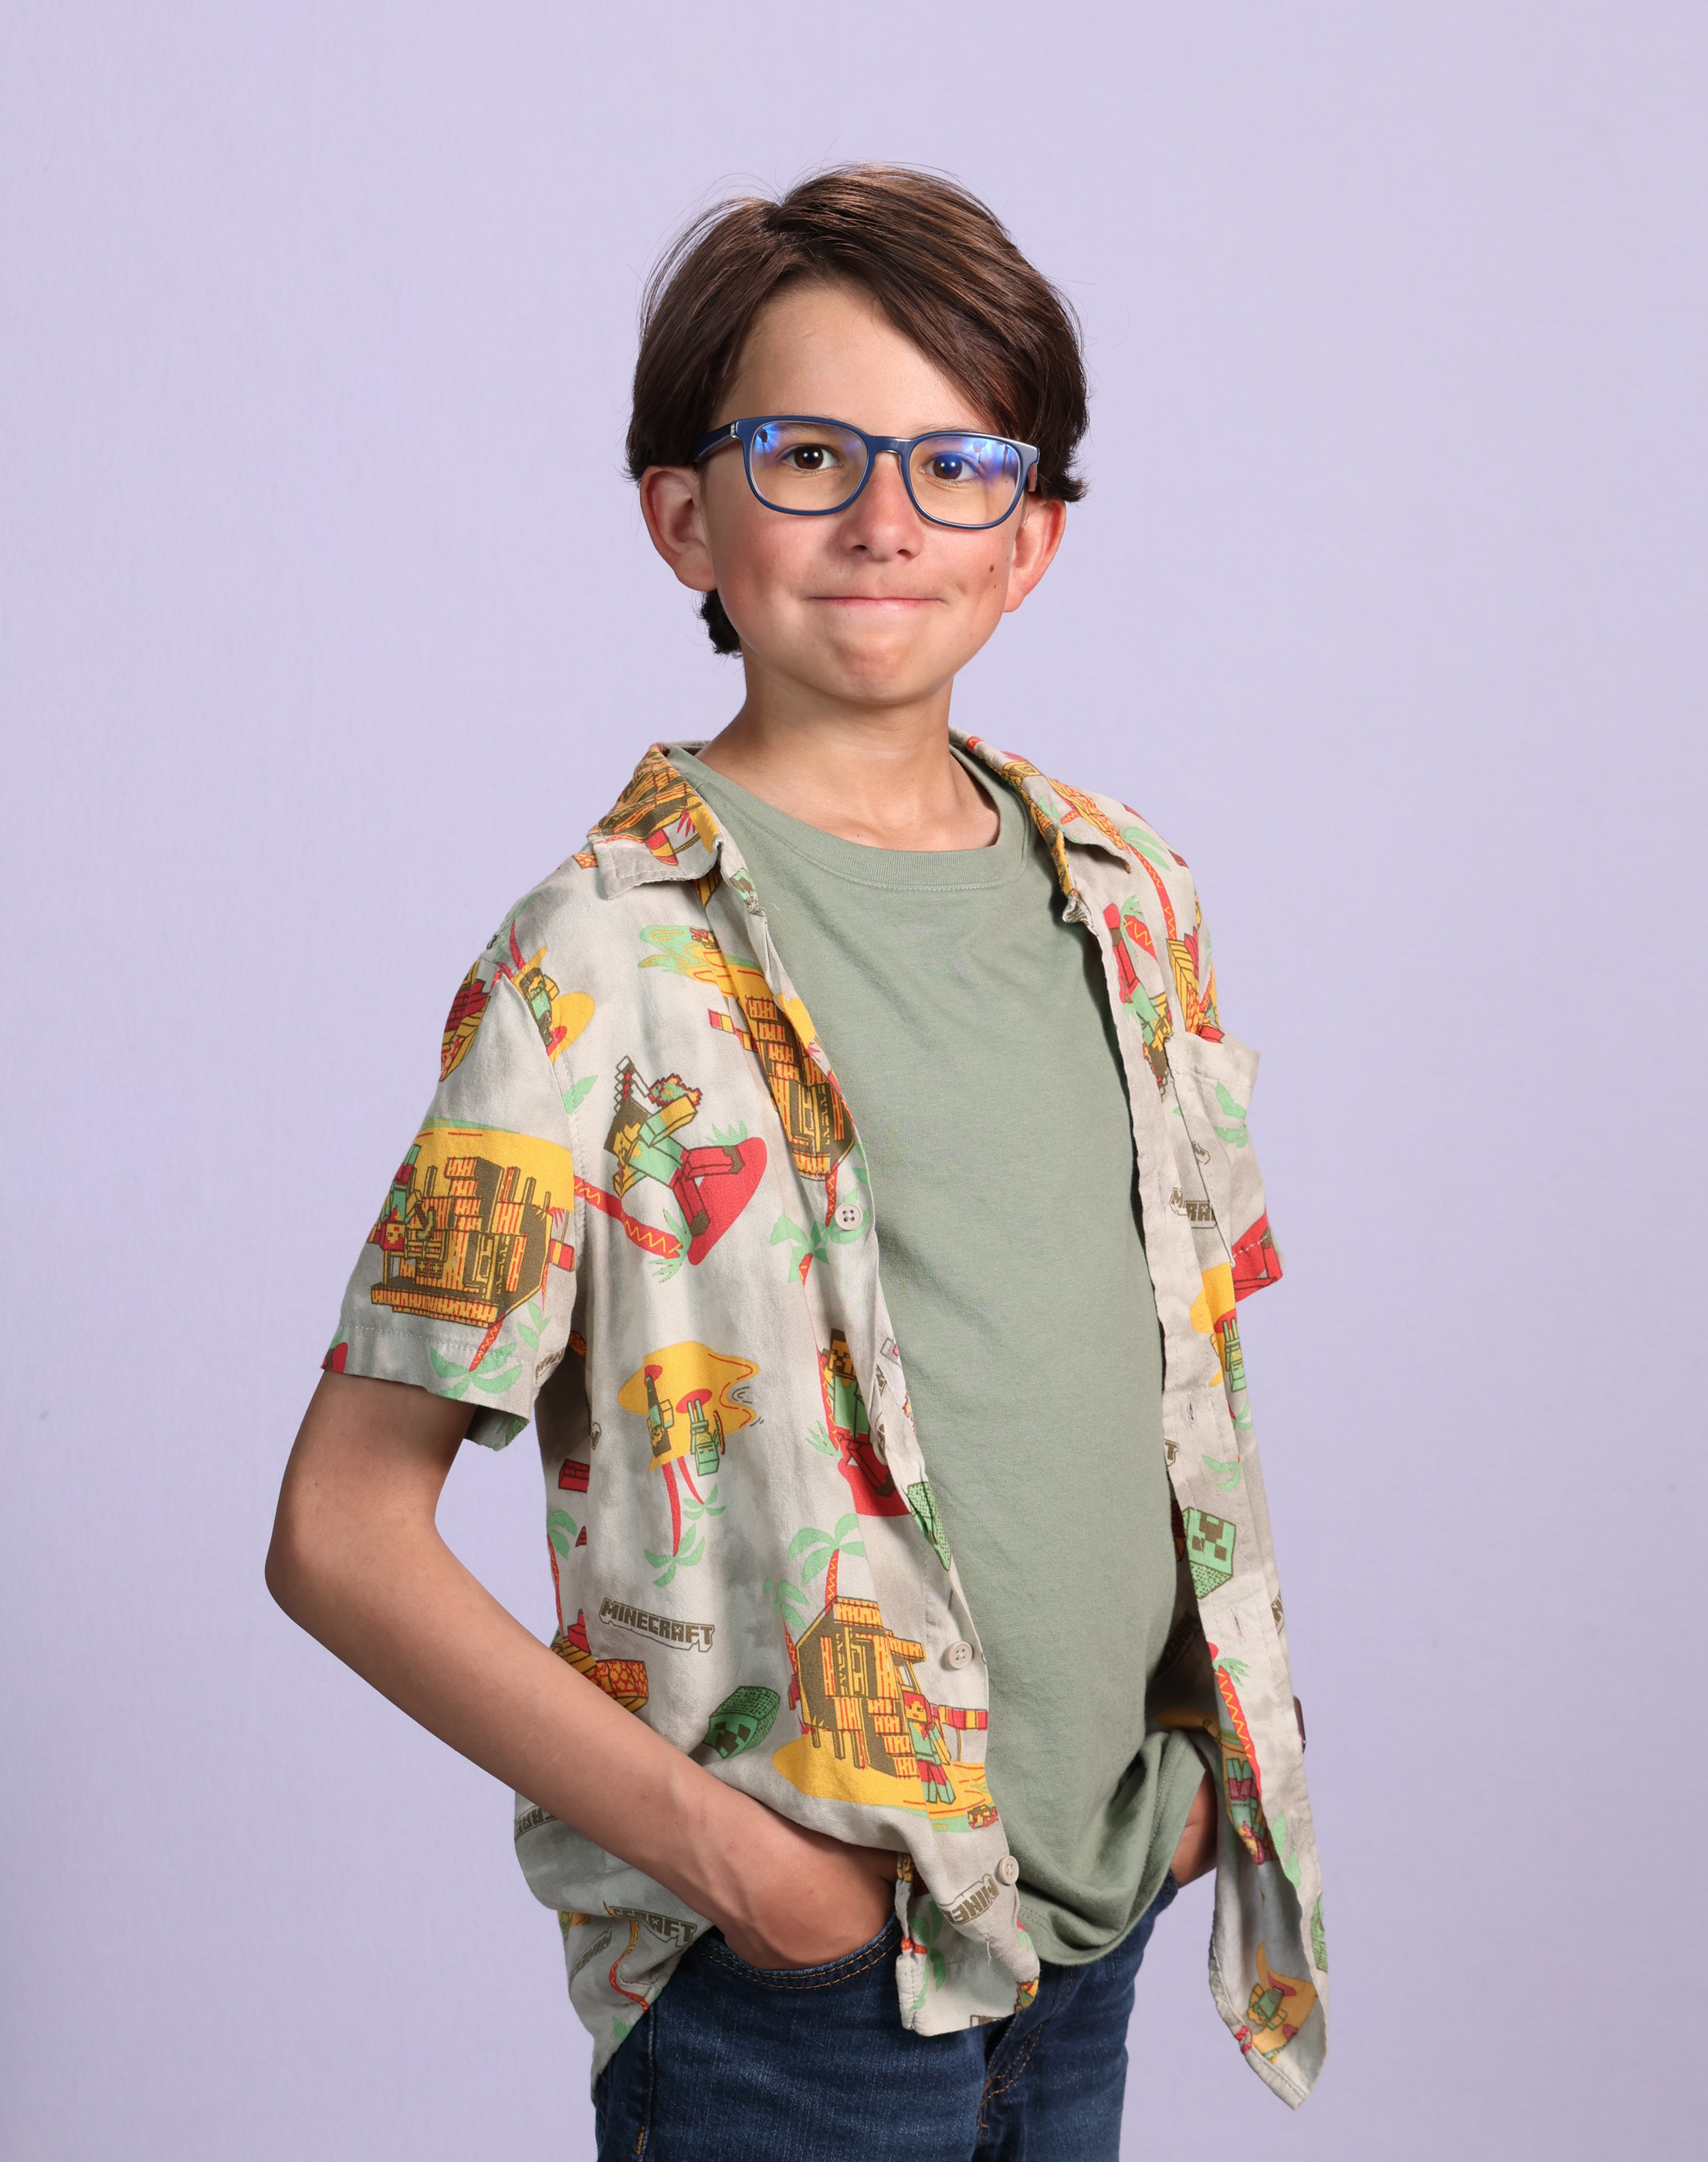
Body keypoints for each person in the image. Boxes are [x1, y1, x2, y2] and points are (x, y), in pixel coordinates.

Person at [266, 165, 1327, 2159]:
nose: (886, 523)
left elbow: (1169, 1378)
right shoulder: (600, 965)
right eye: (810, 454)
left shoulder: (1132, 902)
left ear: (1034, 535)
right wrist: (743, 1870)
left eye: (958, 465)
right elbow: (339, 1531)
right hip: (805, 1996)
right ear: (687, 515)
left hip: (1091, 1925)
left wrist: (1199, 1771)